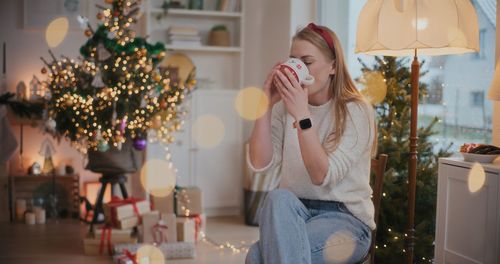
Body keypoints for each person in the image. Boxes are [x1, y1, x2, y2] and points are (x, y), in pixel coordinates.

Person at [245, 23, 377, 264]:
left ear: (333, 67)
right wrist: (265, 104)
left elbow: (320, 175)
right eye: (293, 60)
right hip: (294, 211)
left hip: (346, 220)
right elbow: (259, 162)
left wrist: (302, 115)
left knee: (256, 257)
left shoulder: (356, 111)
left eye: (307, 61)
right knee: (277, 198)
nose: (297, 68)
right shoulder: (284, 108)